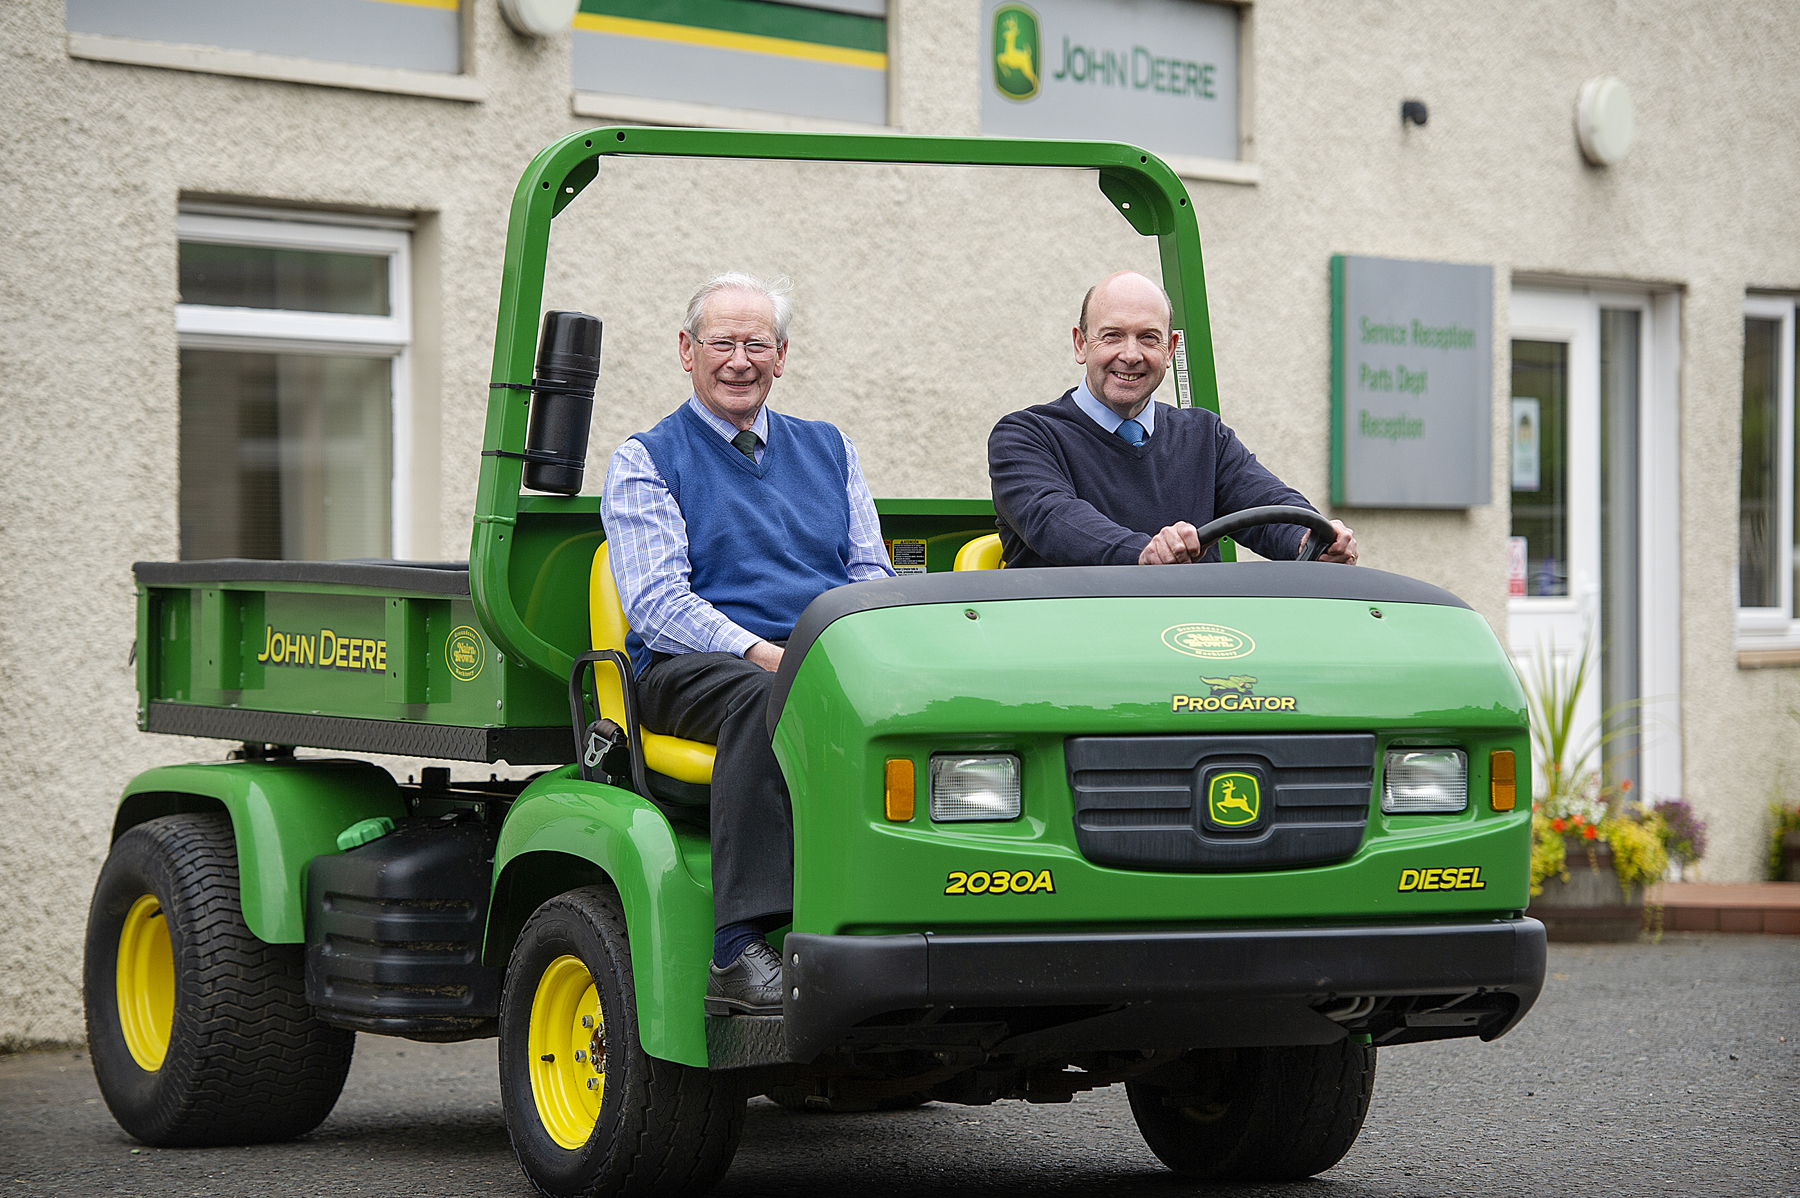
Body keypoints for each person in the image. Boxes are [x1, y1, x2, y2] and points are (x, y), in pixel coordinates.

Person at [601, 272, 895, 1016]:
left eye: (755, 344)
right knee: (769, 696)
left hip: (815, 654)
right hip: (689, 669)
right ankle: (737, 948)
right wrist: (767, 653)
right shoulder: (647, 460)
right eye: (721, 343)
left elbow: (869, 575)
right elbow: (660, 605)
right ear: (686, 351)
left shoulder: (830, 449)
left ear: (782, 355)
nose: (739, 360)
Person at [988, 270, 1358, 568]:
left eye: (1148, 338)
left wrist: (1312, 540)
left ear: (1170, 350)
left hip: (1190, 639)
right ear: (1081, 344)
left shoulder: (1204, 436)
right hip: (1075, 636)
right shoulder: (1025, 437)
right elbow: (1054, 521)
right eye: (1112, 336)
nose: (1130, 355)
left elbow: (1266, 504)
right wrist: (1144, 552)